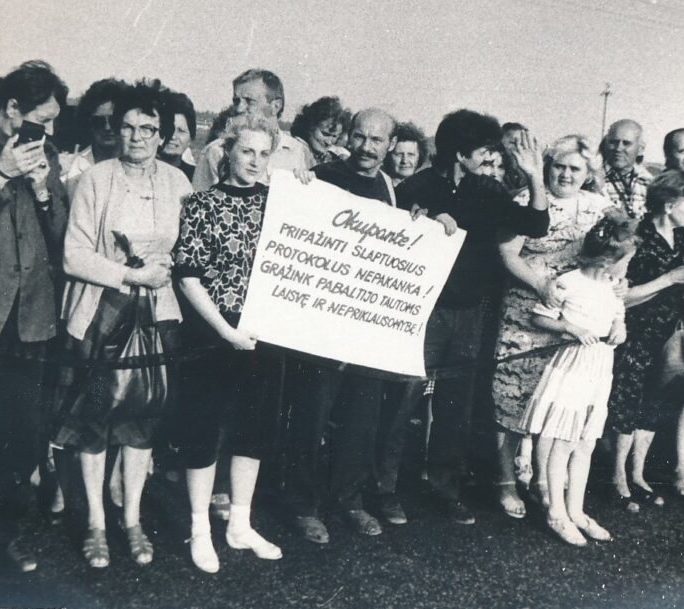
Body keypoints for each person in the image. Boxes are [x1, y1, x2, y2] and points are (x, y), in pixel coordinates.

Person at [53, 80, 191, 569]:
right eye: (128, 127)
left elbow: (188, 250)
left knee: (141, 421)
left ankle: (131, 519)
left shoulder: (178, 182)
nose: (136, 137)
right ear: (116, 130)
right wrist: (131, 273)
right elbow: (74, 255)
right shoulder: (94, 179)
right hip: (101, 312)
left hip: (159, 316)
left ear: (162, 135)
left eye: (148, 129)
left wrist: (166, 267)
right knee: (94, 422)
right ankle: (95, 523)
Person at [396, 109, 548, 526]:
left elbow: (535, 225)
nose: (490, 155)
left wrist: (535, 178)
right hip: (422, 310)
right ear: (459, 153)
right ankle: (385, 488)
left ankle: (445, 489)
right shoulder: (418, 185)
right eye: (483, 149)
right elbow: (393, 228)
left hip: (469, 313)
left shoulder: (488, 190)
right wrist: (421, 217)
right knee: (402, 399)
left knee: (455, 407)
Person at [173, 112, 291, 573]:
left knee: (254, 428)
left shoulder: (281, 204)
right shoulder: (202, 203)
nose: (256, 161)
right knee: (203, 429)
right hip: (212, 332)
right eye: (247, 151)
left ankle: (240, 524)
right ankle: (200, 527)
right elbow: (187, 276)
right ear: (226, 152)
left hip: (263, 332)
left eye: (265, 153)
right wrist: (225, 331)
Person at [0, 60, 69, 577]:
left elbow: (59, 241)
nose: (48, 132)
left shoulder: (44, 153)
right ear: (12, 109)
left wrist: (47, 191)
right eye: (43, 120)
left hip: (30, 321)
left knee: (22, 436)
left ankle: (0, 540)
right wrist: (2, 175)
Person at [284, 108, 398, 544]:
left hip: (366, 328)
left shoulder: (390, 187)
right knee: (312, 415)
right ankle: (303, 505)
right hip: (321, 325)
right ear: (349, 137)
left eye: (377, 140)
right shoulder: (324, 175)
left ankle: (349, 500)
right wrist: (300, 190)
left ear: (389, 145)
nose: (367, 147)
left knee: (362, 417)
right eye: (361, 137)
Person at [491, 135, 615, 518]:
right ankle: (506, 481)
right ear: (546, 167)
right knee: (512, 397)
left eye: (575, 168)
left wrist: (611, 283)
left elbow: (621, 246)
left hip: (574, 318)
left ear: (588, 173)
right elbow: (507, 254)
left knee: (557, 401)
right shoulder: (522, 200)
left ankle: (545, 481)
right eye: (559, 166)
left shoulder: (598, 207)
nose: (565, 174)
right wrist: (541, 284)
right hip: (526, 311)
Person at [517, 210, 636, 546]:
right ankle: (556, 511)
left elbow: (619, 320)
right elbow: (540, 318)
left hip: (600, 366)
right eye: (622, 261)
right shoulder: (569, 281)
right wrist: (570, 327)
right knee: (563, 440)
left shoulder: (614, 288)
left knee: (585, 443)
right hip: (573, 366)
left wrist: (619, 328)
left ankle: (576, 510)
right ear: (606, 260)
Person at [608, 171, 684, 510]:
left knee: (652, 403)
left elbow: (677, 282)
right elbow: (621, 296)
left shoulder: (680, 238)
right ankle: (617, 475)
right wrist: (670, 278)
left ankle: (637, 473)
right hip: (635, 333)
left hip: (664, 334)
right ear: (670, 203)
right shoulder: (638, 237)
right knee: (626, 403)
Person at [192, 69, 311, 190]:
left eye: (250, 101)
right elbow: (199, 200)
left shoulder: (297, 150)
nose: (239, 108)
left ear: (275, 106)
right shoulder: (216, 151)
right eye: (236, 101)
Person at [60, 78, 126, 195]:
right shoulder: (70, 171)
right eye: (98, 121)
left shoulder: (140, 166)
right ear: (88, 123)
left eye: (114, 120)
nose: (107, 127)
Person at [600, 119, 652, 219]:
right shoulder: (593, 179)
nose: (618, 148)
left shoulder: (649, 182)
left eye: (626, 143)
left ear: (640, 149)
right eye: (613, 142)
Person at [289, 95, 350, 168]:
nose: (329, 142)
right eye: (325, 134)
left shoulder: (332, 157)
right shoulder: (294, 149)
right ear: (309, 125)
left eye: (334, 136)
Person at [158, 89, 197, 181]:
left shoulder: (196, 176)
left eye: (181, 131)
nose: (172, 136)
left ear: (191, 138)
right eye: (167, 128)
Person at [384, 121, 428, 186]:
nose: (404, 161)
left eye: (411, 155)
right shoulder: (380, 187)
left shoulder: (425, 188)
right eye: (399, 154)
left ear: (419, 157)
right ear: (388, 156)